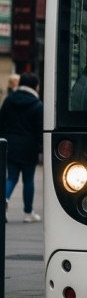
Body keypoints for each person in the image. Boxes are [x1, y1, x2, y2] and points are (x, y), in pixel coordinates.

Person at [2, 72, 43, 222]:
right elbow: (40, 130)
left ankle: (3, 201)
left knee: (11, 176)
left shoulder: (8, 101)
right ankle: (28, 213)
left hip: (10, 145)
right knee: (28, 180)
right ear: (34, 86)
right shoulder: (37, 105)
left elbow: (1, 122)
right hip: (29, 147)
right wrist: (41, 149)